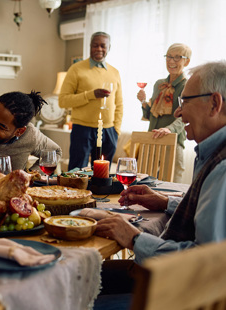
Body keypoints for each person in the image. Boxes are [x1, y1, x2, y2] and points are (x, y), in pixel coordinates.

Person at [94, 61, 226, 306]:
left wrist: (133, 237)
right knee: (90, 274)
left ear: (215, 104)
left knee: (73, 285)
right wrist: (166, 201)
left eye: (184, 102)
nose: (177, 112)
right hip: (182, 285)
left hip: (183, 295)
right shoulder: (213, 153)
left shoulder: (222, 169)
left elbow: (204, 263)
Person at [59, 31, 123, 170]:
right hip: (82, 129)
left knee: (102, 176)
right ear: (90, 47)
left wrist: (115, 130)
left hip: (108, 131)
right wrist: (90, 95)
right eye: (95, 45)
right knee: (76, 173)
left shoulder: (115, 72)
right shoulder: (76, 69)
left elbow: (119, 104)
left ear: (109, 48)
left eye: (103, 46)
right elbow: (63, 101)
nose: (99, 49)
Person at [0, 91, 62, 171]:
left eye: (1, 126)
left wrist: (31, 175)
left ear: (19, 131)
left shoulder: (30, 135)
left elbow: (56, 152)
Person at [138, 43, 191, 182]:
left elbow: (185, 116)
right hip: (153, 138)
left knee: (171, 185)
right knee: (145, 182)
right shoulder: (159, 84)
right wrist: (143, 102)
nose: (171, 61)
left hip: (173, 140)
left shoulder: (187, 86)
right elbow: (152, 115)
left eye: (177, 57)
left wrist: (168, 129)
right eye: (169, 57)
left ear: (187, 61)